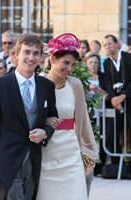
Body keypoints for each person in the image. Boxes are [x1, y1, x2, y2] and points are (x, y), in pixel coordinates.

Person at [0, 33, 58, 200]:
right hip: (7, 160)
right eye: (26, 52)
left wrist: (45, 131)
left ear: (41, 57)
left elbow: (52, 118)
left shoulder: (47, 86)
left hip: (34, 159)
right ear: (16, 55)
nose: (31, 57)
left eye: (36, 53)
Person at [36, 33, 98, 200]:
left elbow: (83, 119)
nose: (69, 68)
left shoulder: (75, 84)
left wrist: (90, 149)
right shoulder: (38, 84)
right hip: (46, 153)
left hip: (71, 152)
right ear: (53, 59)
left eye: (72, 64)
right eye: (66, 63)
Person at [102, 34, 131, 164]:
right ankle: (117, 165)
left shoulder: (128, 58)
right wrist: (114, 99)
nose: (108, 46)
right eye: (105, 45)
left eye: (110, 43)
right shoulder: (106, 62)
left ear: (117, 43)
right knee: (111, 134)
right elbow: (108, 82)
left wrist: (123, 96)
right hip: (116, 104)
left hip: (129, 100)